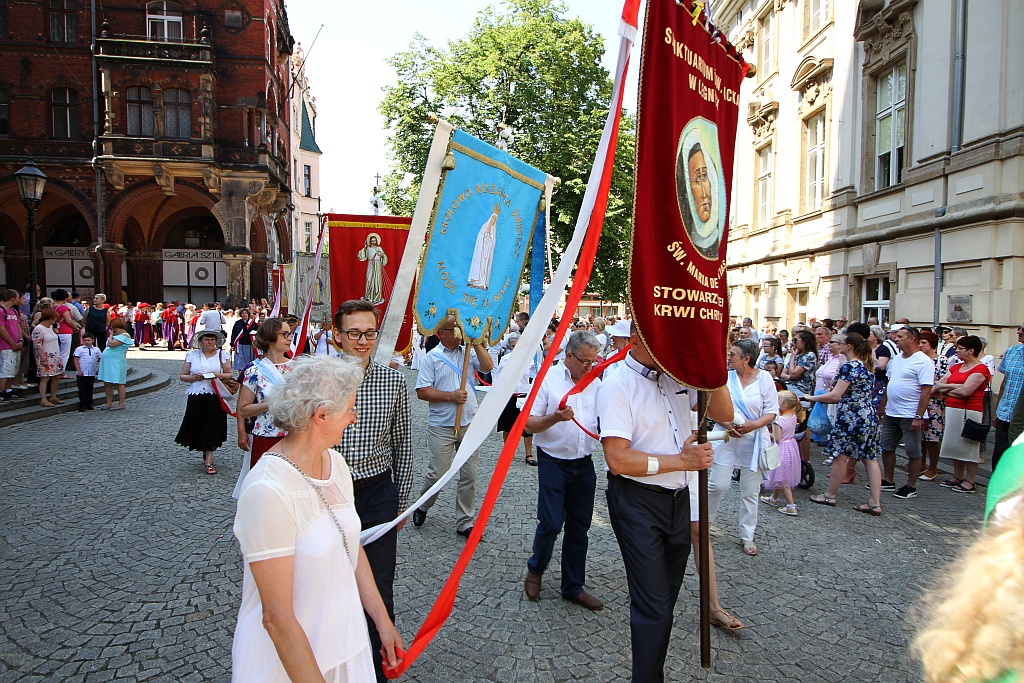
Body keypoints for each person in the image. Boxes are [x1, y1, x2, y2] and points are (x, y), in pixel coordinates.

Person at [232, 355, 404, 682]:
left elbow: (349, 546)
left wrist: (383, 622)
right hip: (291, 660)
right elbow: (276, 619)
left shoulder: (335, 465)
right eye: (350, 409)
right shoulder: (267, 490)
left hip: (344, 642)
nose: (354, 419)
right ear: (321, 415)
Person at [596, 323, 734, 681]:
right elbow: (618, 460)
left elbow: (724, 413)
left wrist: (710, 360)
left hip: (678, 499)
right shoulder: (616, 384)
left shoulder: (676, 377)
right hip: (637, 500)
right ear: (639, 338)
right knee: (654, 606)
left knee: (665, 602)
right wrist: (682, 461)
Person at [331, 299, 414, 682]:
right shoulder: (320, 380)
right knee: (329, 581)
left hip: (377, 493)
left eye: (369, 333)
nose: (362, 341)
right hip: (329, 494)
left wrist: (401, 505)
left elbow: (403, 445)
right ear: (338, 336)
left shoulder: (393, 381)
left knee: (379, 584)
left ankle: (382, 670)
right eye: (354, 333)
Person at [523, 331, 604, 610]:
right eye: (584, 361)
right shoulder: (547, 379)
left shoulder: (594, 380)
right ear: (568, 356)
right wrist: (554, 418)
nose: (589, 367)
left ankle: (573, 586)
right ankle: (536, 569)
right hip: (554, 462)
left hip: (584, 464)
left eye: (593, 362)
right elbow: (528, 424)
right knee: (551, 523)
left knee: (580, 528)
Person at [411, 316, 493, 537]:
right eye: (454, 329)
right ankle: (423, 505)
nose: (458, 332)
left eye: (460, 329)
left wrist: (475, 341)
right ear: (442, 333)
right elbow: (422, 391)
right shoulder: (432, 358)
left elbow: (488, 366)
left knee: (469, 475)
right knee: (437, 473)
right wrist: (451, 396)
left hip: (469, 423)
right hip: (442, 425)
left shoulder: (467, 352)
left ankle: (465, 521)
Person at [707, 338, 779, 556]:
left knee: (750, 491)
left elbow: (772, 411)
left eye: (733, 355)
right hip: (726, 436)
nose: (728, 358)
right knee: (717, 485)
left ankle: (747, 535)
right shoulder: (724, 378)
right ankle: (703, 524)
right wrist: (729, 424)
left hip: (754, 440)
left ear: (747, 359)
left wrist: (753, 425)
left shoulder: (764, 379)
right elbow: (709, 407)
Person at [805, 333, 885, 514]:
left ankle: (830, 494)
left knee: (840, 455)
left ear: (849, 346)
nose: (838, 345)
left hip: (851, 416)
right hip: (868, 416)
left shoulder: (849, 367)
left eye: (841, 343)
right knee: (869, 458)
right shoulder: (867, 365)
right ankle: (875, 502)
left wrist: (812, 397)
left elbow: (835, 395)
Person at [235, 318, 293, 494]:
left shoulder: (298, 367)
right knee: (267, 491)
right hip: (266, 438)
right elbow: (243, 409)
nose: (289, 337)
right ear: (269, 337)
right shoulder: (254, 370)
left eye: (290, 333)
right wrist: (270, 403)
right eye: (284, 334)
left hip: (295, 437)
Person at [879, 326, 935, 500]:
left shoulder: (923, 361)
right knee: (887, 446)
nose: (896, 338)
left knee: (913, 451)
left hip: (910, 413)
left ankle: (911, 485)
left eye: (900, 336)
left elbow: (926, 391)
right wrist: (883, 406)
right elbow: (890, 383)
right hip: (892, 412)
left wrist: (919, 416)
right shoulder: (896, 359)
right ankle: (888, 480)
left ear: (912, 339)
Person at [934, 335, 992, 493]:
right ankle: (958, 476)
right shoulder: (956, 367)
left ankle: (970, 480)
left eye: (960, 348)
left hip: (970, 411)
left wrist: (946, 389)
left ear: (971, 351)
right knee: (954, 444)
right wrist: (954, 387)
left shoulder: (980, 369)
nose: (956, 351)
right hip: (952, 409)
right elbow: (938, 385)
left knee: (969, 447)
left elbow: (967, 391)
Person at [175, 329, 232, 475]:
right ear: (200, 341)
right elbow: (183, 375)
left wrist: (214, 375)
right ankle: (204, 449)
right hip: (197, 395)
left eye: (212, 339)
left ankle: (209, 460)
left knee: (212, 425)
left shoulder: (222, 355)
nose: (210, 342)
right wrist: (195, 378)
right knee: (198, 424)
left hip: (215, 394)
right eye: (206, 339)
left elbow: (229, 373)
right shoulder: (192, 355)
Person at [492, 332, 536, 465]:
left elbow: (537, 373)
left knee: (527, 426)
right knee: (507, 425)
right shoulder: (506, 359)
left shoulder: (530, 359)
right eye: (512, 346)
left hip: (524, 394)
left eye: (517, 345)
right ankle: (508, 452)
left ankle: (529, 454)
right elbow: (497, 376)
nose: (515, 348)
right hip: (509, 395)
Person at [760, 390, 803, 515]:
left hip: (781, 448)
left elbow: (777, 437)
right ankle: (774, 498)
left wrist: (766, 432)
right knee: (781, 475)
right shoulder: (793, 415)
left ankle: (791, 505)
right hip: (791, 446)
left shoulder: (779, 420)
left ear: (783, 404)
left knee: (783, 479)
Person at [918, 331, 952, 482]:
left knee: (932, 436)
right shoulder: (918, 360)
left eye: (924, 343)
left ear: (932, 344)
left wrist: (933, 391)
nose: (921, 346)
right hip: (918, 401)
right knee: (920, 436)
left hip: (934, 403)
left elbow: (944, 383)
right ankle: (921, 464)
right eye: (919, 343)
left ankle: (933, 467)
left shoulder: (942, 361)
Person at [994, 322, 1024, 470]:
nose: (1019, 332)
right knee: (1000, 455)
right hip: (1004, 413)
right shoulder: (1012, 352)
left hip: (1022, 419)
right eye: (1019, 328)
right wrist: (997, 411)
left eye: (1023, 330)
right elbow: (1004, 382)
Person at [97, 318, 134, 410]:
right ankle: (109, 403)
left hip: (117, 361)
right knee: (107, 382)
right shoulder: (117, 335)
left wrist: (110, 335)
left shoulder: (125, 335)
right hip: (108, 361)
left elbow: (112, 344)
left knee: (119, 382)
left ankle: (121, 404)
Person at [32, 309, 63, 407]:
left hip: (55, 355)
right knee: (45, 378)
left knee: (56, 377)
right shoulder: (39, 329)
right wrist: (43, 359)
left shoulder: (50, 327)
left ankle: (53, 396)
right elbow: (38, 345)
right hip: (45, 356)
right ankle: (43, 399)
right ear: (50, 318)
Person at [0, 289, 25, 402]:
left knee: (13, 370)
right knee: (6, 369)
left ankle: (8, 389)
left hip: (16, 344)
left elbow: (18, 326)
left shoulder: (14, 311)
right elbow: (2, 329)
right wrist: (12, 343)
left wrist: (20, 340)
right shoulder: (2, 311)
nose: (18, 299)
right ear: (12, 299)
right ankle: (2, 391)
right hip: (6, 346)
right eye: (17, 297)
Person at [52, 289, 78, 374]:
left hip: (55, 331)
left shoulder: (52, 307)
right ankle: (61, 371)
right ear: (65, 298)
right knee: (64, 353)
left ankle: (54, 369)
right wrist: (76, 327)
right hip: (65, 331)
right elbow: (69, 321)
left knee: (56, 352)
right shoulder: (64, 308)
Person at [73, 332, 100, 411]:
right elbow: (76, 359)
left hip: (91, 372)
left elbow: (100, 358)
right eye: (84, 340)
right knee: (82, 389)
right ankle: (82, 404)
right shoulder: (79, 349)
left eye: (88, 340)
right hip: (82, 372)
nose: (86, 342)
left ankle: (89, 403)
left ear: (92, 340)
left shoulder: (96, 350)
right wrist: (78, 370)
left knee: (89, 388)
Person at [230, 308, 258, 373]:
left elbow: (257, 332)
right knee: (241, 361)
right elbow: (234, 334)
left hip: (250, 344)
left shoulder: (253, 323)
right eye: (243, 313)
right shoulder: (237, 323)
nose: (244, 314)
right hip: (240, 344)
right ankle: (241, 375)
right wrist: (232, 344)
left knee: (250, 360)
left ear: (248, 314)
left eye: (246, 313)